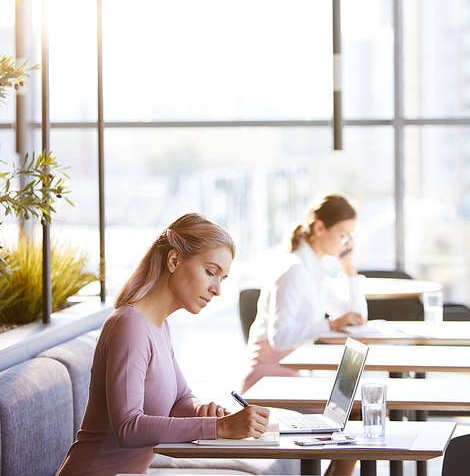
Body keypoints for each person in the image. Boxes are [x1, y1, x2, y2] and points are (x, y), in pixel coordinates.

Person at [56, 213, 270, 476]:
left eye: (222, 279)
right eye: (210, 272)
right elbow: (128, 428)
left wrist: (205, 411)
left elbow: (181, 398)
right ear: (174, 260)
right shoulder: (130, 326)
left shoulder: (158, 325)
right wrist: (220, 428)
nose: (217, 290)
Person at [239, 193, 367, 393]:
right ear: (319, 228)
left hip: (292, 371)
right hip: (267, 379)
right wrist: (331, 324)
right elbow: (280, 338)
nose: (346, 242)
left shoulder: (315, 269)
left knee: (349, 399)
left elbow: (357, 317)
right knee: (350, 404)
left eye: (350, 236)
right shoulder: (294, 269)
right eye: (343, 234)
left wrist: (348, 266)